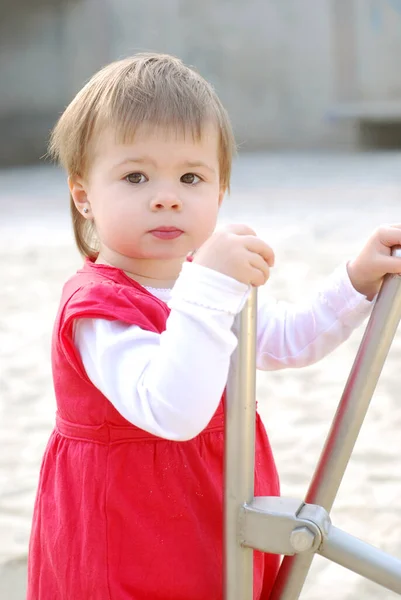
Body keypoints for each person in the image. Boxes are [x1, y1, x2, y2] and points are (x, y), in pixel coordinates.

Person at [27, 53, 401, 600]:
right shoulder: (99, 309)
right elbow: (170, 409)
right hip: (125, 544)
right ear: (84, 195)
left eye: (191, 177)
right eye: (135, 176)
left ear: (220, 191)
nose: (167, 195)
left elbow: (286, 339)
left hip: (213, 523)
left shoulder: (206, 287)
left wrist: (354, 282)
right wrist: (211, 287)